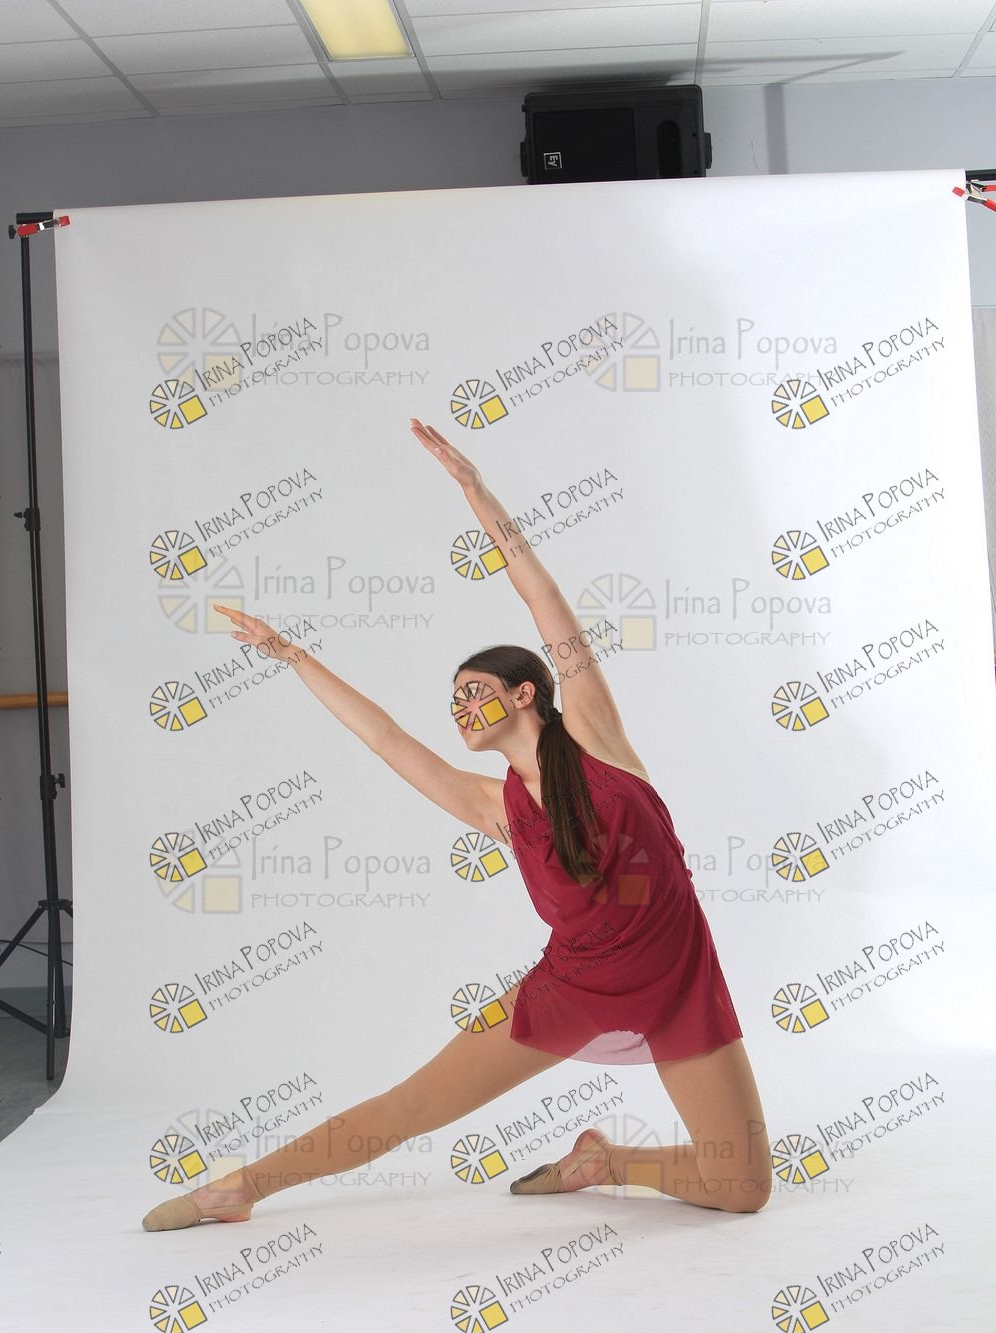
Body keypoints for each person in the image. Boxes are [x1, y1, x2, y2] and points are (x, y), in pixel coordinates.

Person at [141, 419, 772, 1231]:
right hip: (571, 987)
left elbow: (544, 599)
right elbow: (385, 739)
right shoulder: (493, 807)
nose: (462, 707)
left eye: (475, 691)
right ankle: (235, 1191)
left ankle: (608, 1162)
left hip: (679, 979)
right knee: (413, 1105)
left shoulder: (596, 737)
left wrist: (478, 493)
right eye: (455, 701)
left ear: (525, 693)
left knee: (743, 1188)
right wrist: (293, 655)